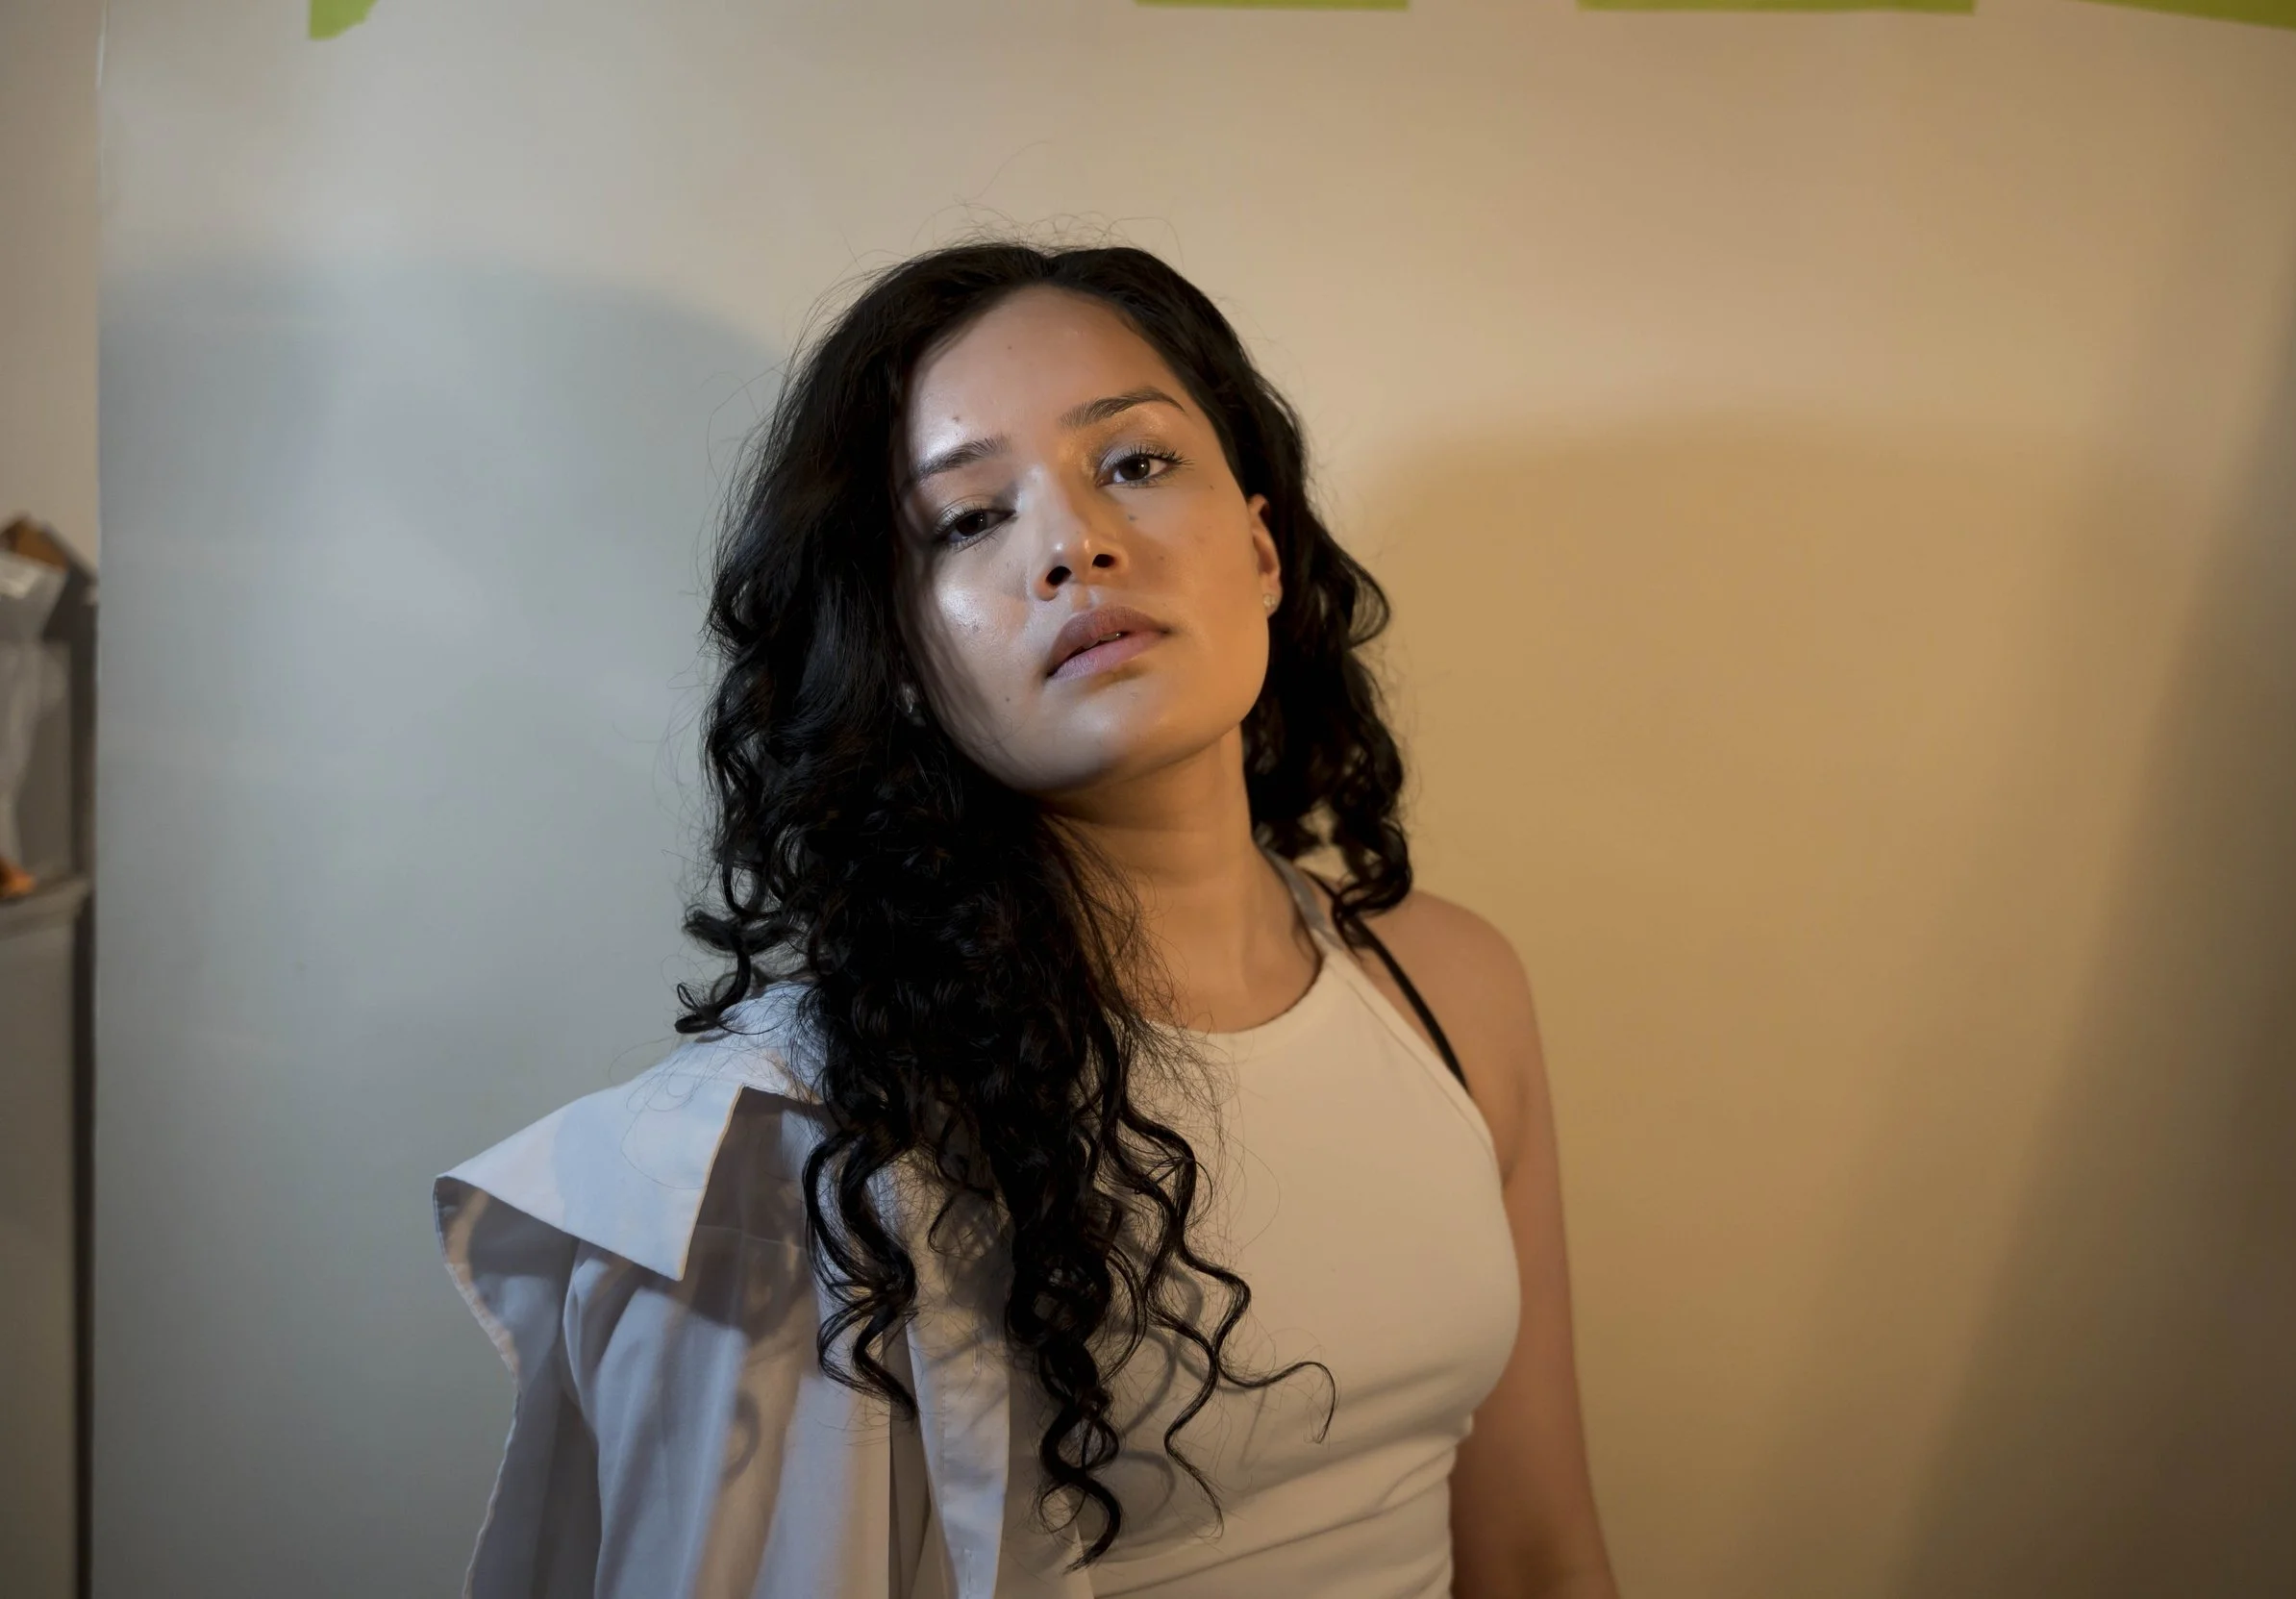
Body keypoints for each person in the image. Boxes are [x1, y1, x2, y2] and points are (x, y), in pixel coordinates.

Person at [435, 240, 1619, 1599]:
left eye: (1135, 462)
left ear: (1260, 546)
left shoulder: (1454, 988)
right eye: (968, 520)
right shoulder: (803, 1141)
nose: (1075, 545)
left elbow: (1539, 1551)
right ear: (903, 658)